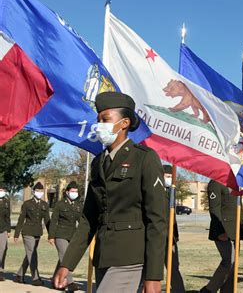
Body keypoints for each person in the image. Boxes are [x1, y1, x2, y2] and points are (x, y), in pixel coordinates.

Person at [53, 92, 168, 292]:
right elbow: (89, 218)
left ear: (124, 123)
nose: (99, 124)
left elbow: (157, 220)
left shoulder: (145, 159)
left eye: (105, 119)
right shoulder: (99, 162)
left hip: (131, 256)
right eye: (98, 119)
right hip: (104, 256)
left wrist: (154, 275)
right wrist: (66, 263)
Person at [201, 180, 243, 293]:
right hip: (222, 230)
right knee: (229, 261)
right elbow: (214, 209)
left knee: (234, 265)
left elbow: (239, 208)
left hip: (235, 230)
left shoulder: (235, 182)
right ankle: (209, 290)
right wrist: (220, 231)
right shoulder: (215, 183)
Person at [14, 182, 50, 286]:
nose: (39, 193)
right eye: (37, 191)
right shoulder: (27, 204)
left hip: (38, 232)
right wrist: (16, 234)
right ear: (33, 192)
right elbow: (21, 219)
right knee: (33, 254)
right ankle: (35, 278)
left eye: (41, 191)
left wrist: (51, 235)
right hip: (27, 231)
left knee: (29, 254)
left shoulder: (45, 205)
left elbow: (48, 221)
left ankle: (19, 275)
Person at [48, 181, 83, 291]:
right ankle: (70, 282)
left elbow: (82, 221)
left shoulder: (79, 205)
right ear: (67, 192)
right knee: (65, 257)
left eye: (76, 191)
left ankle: (55, 280)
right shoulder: (60, 204)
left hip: (72, 235)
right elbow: (54, 221)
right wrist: (51, 236)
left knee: (62, 260)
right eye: (72, 191)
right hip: (60, 234)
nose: (74, 193)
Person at [163, 164, 186, 293]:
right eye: (167, 176)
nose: (170, 179)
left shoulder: (172, 191)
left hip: (170, 237)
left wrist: (175, 236)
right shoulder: (154, 190)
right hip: (158, 236)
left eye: (172, 177)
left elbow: (173, 218)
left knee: (174, 267)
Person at [0, 183, 11, 281]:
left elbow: (8, 217)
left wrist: (8, 230)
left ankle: (0, 271)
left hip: (3, 229)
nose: (2, 192)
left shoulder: (7, 202)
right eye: (0, 190)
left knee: (3, 250)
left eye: (3, 190)